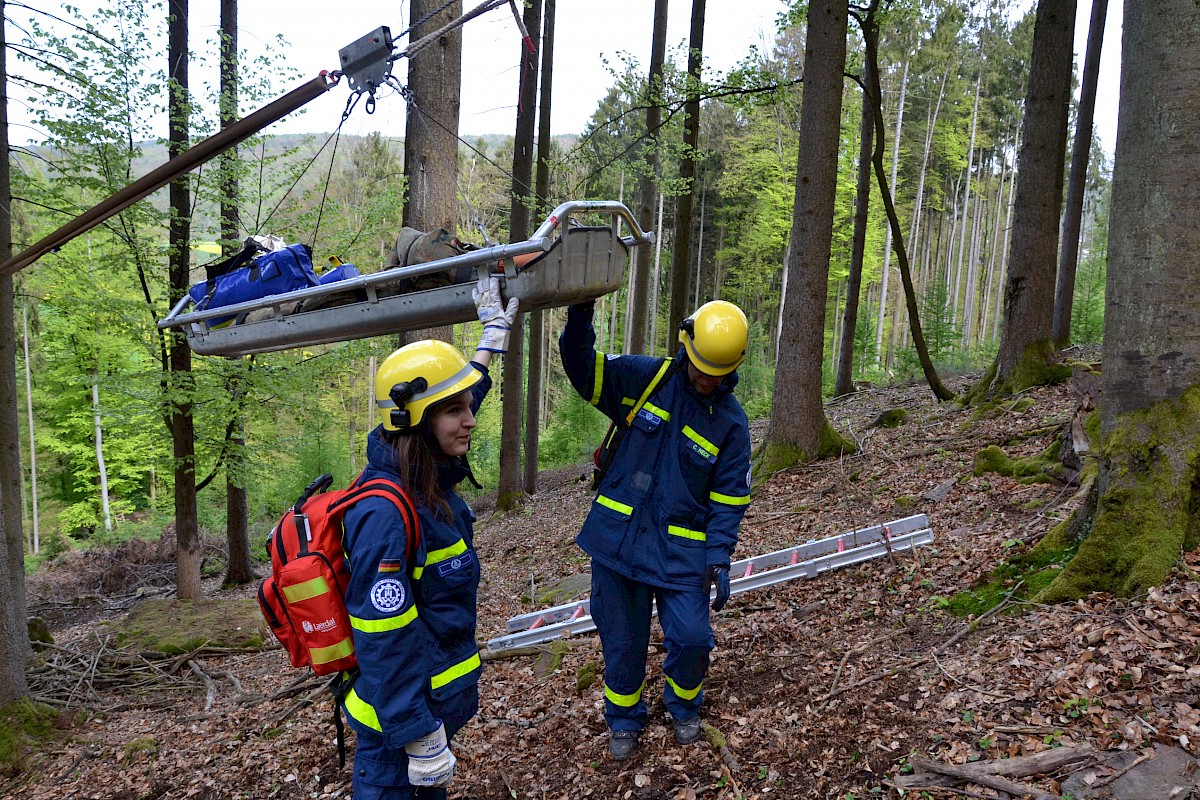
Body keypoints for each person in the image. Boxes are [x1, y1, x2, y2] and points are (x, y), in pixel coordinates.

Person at [338, 274, 517, 799]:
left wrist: (491, 339)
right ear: (418, 422)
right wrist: (418, 734)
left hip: (433, 716)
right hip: (399, 741)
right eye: (454, 411)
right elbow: (383, 635)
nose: (470, 420)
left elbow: (458, 395)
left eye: (468, 406)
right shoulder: (386, 513)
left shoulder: (429, 471)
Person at [558, 298, 753, 761]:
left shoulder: (732, 425)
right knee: (621, 642)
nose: (707, 379)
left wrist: (720, 558)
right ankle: (624, 718)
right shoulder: (646, 379)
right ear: (686, 346)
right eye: (702, 368)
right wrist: (580, 314)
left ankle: (684, 704)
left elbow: (728, 502)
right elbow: (582, 367)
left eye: (717, 373)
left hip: (681, 554)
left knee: (690, 638)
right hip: (618, 544)